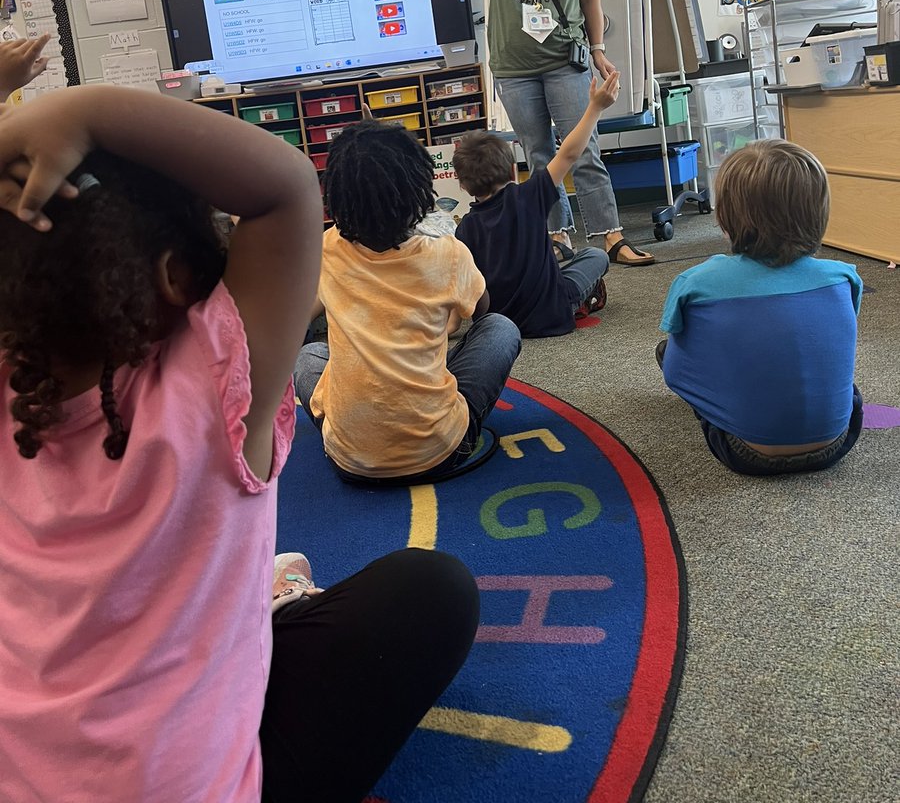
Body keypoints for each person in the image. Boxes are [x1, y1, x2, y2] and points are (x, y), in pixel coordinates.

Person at [0, 84, 480, 803]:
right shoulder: (209, 391)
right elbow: (284, 186)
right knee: (432, 591)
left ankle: (267, 601)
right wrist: (82, 111)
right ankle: (272, 604)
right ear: (176, 276)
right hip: (193, 789)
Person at [414, 0, 654, 266]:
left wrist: (598, 49)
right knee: (539, 153)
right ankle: (556, 235)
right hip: (514, 68)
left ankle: (610, 234)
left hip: (565, 61)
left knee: (584, 148)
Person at [294, 120, 521, 482]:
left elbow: (294, 324)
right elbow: (482, 309)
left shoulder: (325, 249)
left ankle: (357, 432)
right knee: (500, 329)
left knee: (308, 356)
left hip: (349, 461)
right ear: (420, 188)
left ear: (334, 195)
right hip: (439, 452)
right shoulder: (448, 252)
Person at [656, 139, 864, 477]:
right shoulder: (844, 277)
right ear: (820, 213)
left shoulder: (695, 283)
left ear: (724, 217)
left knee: (666, 352)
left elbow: (676, 375)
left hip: (743, 452)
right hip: (838, 442)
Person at [453, 72, 621, 337]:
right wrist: (595, 108)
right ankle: (581, 299)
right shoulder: (529, 195)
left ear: (463, 185)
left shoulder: (464, 230)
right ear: (512, 171)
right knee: (595, 256)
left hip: (501, 325)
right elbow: (569, 153)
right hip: (552, 312)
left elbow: (466, 287)